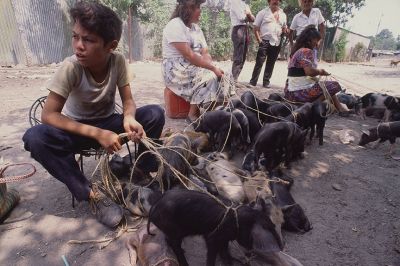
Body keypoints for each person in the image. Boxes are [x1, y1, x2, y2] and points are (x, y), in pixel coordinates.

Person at [22, 2, 165, 228]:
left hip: (109, 123)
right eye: (75, 37)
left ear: (111, 45)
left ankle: (141, 169)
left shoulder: (117, 61)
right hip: (76, 129)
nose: (78, 46)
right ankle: (90, 194)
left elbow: (128, 100)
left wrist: (129, 117)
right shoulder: (71, 68)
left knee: (155, 113)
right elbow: (49, 115)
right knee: (35, 137)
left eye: (88, 40)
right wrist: (97, 133)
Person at [162, 0, 229, 122]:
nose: (200, 10)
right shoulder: (175, 25)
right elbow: (189, 55)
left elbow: (205, 53)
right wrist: (211, 68)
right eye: (197, 7)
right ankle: (192, 115)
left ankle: (218, 109)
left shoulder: (196, 29)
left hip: (193, 64)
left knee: (225, 72)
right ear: (189, 9)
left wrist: (211, 64)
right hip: (177, 69)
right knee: (208, 75)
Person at [284, 25, 350, 115]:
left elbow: (303, 74)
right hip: (298, 94)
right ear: (310, 39)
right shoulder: (306, 51)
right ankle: (310, 107)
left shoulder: (298, 51)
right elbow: (309, 72)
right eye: (317, 40)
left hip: (290, 93)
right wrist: (321, 72)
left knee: (324, 86)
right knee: (334, 85)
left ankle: (339, 107)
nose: (318, 43)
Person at [249, 0, 287, 88]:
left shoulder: (283, 15)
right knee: (259, 62)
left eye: (278, 0)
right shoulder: (262, 13)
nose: (276, 1)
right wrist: (259, 40)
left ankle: (266, 82)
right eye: (273, 0)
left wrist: (285, 30)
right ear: (269, 1)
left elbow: (284, 28)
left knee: (271, 63)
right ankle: (253, 82)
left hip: (277, 42)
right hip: (265, 41)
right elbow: (256, 28)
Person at [230, 0, 255, 81]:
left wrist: (248, 15)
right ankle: (232, 79)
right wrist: (248, 15)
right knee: (238, 57)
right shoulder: (235, 2)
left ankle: (235, 78)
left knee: (243, 56)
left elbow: (253, 18)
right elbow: (241, 18)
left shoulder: (245, 4)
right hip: (238, 29)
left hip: (245, 29)